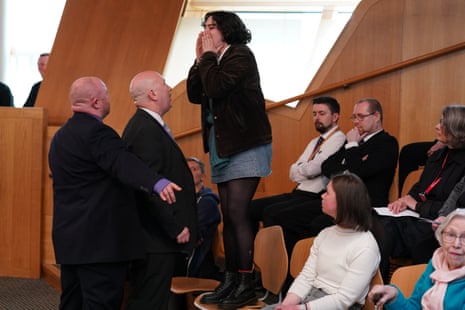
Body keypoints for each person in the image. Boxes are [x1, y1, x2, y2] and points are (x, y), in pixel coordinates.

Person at [49, 76, 181, 309]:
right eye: (107, 94)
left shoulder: (60, 137)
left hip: (70, 241)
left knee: (72, 303)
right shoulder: (98, 133)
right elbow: (122, 162)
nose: (110, 99)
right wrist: (156, 182)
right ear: (96, 102)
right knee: (101, 304)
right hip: (100, 244)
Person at [186, 10, 273, 308]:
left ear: (228, 30)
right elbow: (195, 93)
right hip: (223, 145)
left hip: (246, 143)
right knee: (228, 216)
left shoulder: (240, 54)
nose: (207, 31)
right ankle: (232, 280)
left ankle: (246, 283)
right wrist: (200, 60)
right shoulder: (213, 58)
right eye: (205, 26)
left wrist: (207, 58)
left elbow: (217, 87)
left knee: (238, 213)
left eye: (214, 27)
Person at [121, 71, 197, 310]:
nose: (170, 89)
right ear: (153, 93)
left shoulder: (148, 125)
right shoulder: (145, 130)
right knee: (148, 302)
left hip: (156, 237)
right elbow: (149, 187)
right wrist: (174, 227)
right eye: (165, 84)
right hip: (155, 239)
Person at [251, 96, 346, 256]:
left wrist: (302, 170)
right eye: (314, 114)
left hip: (313, 195)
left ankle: (281, 270)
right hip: (298, 191)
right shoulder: (315, 141)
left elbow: (314, 169)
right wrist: (304, 170)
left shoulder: (339, 139)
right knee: (251, 208)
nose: (317, 118)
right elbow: (292, 172)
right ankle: (251, 264)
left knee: (273, 213)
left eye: (322, 113)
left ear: (335, 116)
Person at [270, 173, 380, 310]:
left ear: (343, 201)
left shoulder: (365, 247)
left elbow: (344, 300)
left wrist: (301, 309)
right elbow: (306, 277)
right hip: (310, 299)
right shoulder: (325, 234)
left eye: (327, 193)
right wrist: (287, 304)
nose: (322, 196)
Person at [381, 104, 465, 278]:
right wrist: (404, 199)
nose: (436, 126)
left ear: (455, 129)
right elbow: (421, 186)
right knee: (376, 223)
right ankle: (377, 286)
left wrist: (417, 205)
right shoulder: (438, 154)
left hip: (434, 221)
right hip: (419, 216)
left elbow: (451, 208)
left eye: (442, 123)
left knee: (390, 232)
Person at [368, 208, 465, 309]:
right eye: (450, 235)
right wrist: (394, 296)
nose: (456, 244)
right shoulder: (436, 263)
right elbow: (415, 306)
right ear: (441, 237)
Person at [185, 156, 221, 279]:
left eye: (194, 169)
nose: (189, 172)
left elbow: (194, 232)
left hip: (198, 261)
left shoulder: (207, 201)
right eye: (186, 169)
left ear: (203, 175)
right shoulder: (181, 199)